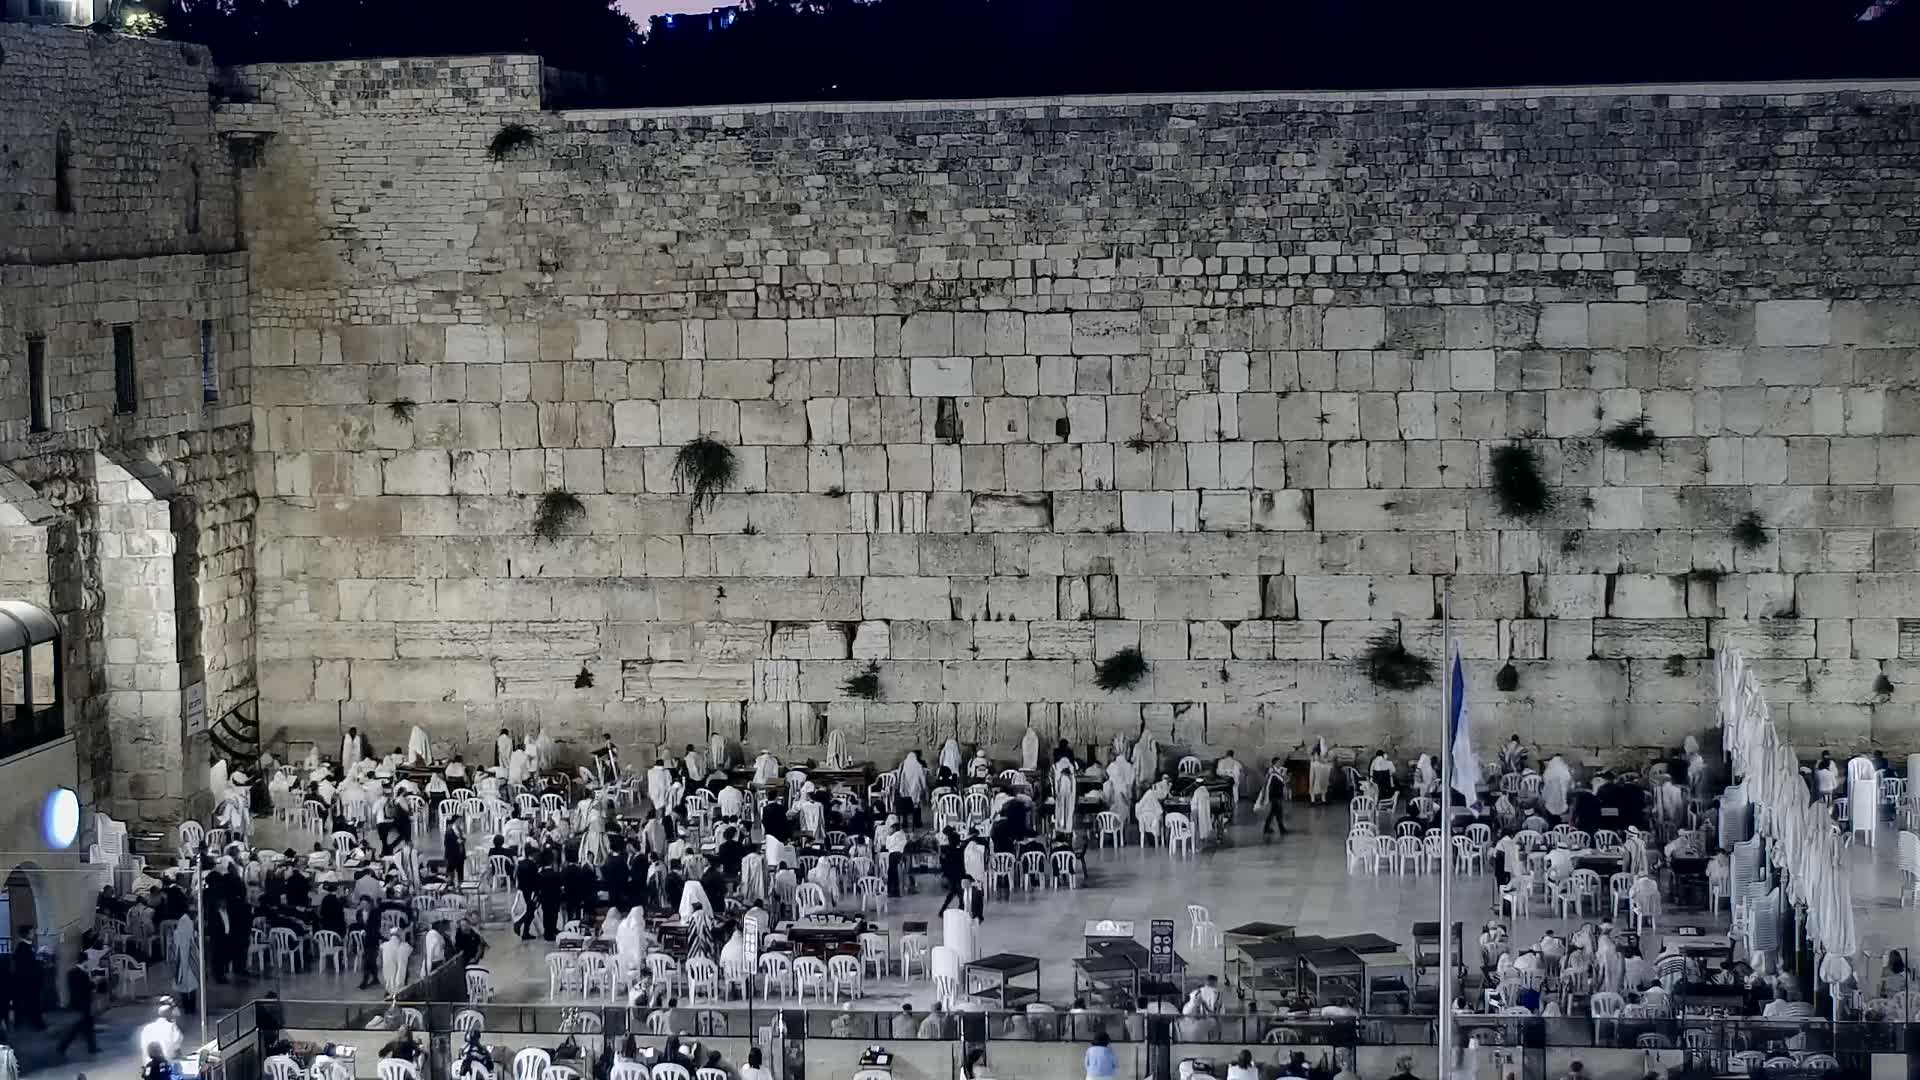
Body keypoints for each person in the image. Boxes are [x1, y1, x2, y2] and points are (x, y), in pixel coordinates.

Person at [57, 955, 98, 1056]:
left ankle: (91, 1047)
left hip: (76, 1003)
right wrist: (93, 983)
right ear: (84, 962)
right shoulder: (83, 974)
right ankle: (63, 1046)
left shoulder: (71, 973)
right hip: (83, 1003)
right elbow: (87, 987)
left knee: (84, 1026)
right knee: (83, 1026)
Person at [1256, 756, 1290, 839]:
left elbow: (1282, 781)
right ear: (1275, 763)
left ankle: (1267, 828)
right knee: (1278, 812)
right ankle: (1281, 829)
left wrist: (1285, 781)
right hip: (1274, 795)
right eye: (1278, 762)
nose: (1280, 763)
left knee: (1273, 813)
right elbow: (1268, 785)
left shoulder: (1279, 771)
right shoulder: (1272, 773)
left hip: (1278, 794)